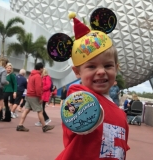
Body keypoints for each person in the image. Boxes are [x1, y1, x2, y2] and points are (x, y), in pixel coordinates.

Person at [55, 12, 129, 160]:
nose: (101, 71)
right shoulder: (79, 96)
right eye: (91, 67)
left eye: (108, 65)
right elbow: (77, 107)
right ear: (77, 72)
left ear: (116, 68)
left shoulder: (121, 115)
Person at [16, 62, 54, 132]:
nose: (43, 69)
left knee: (26, 110)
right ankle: (44, 126)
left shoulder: (31, 75)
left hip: (29, 95)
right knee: (40, 111)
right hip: (34, 96)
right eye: (42, 68)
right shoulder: (38, 76)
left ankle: (20, 125)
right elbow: (38, 88)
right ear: (41, 68)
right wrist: (40, 97)